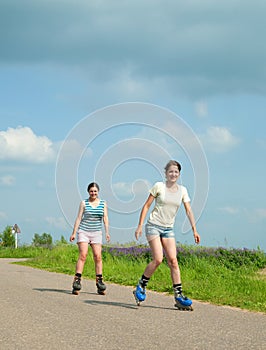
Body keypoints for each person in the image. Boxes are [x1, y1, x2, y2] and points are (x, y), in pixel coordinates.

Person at [134, 160, 200, 310]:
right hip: (153, 226)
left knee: (173, 261)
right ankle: (141, 285)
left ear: (179, 174)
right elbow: (146, 206)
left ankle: (178, 295)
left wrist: (194, 230)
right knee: (158, 259)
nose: (173, 174)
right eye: (171, 171)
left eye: (176, 172)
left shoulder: (182, 190)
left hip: (168, 229)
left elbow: (188, 210)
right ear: (166, 173)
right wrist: (139, 226)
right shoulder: (159, 186)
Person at [70, 182, 110, 295]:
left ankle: (99, 282)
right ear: (88, 192)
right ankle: (77, 281)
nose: (93, 193)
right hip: (84, 231)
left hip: (96, 232)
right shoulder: (84, 203)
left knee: (98, 256)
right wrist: (74, 233)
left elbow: (105, 218)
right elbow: (78, 218)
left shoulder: (103, 203)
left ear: (98, 192)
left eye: (95, 191)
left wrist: (107, 232)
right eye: (91, 191)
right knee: (83, 255)